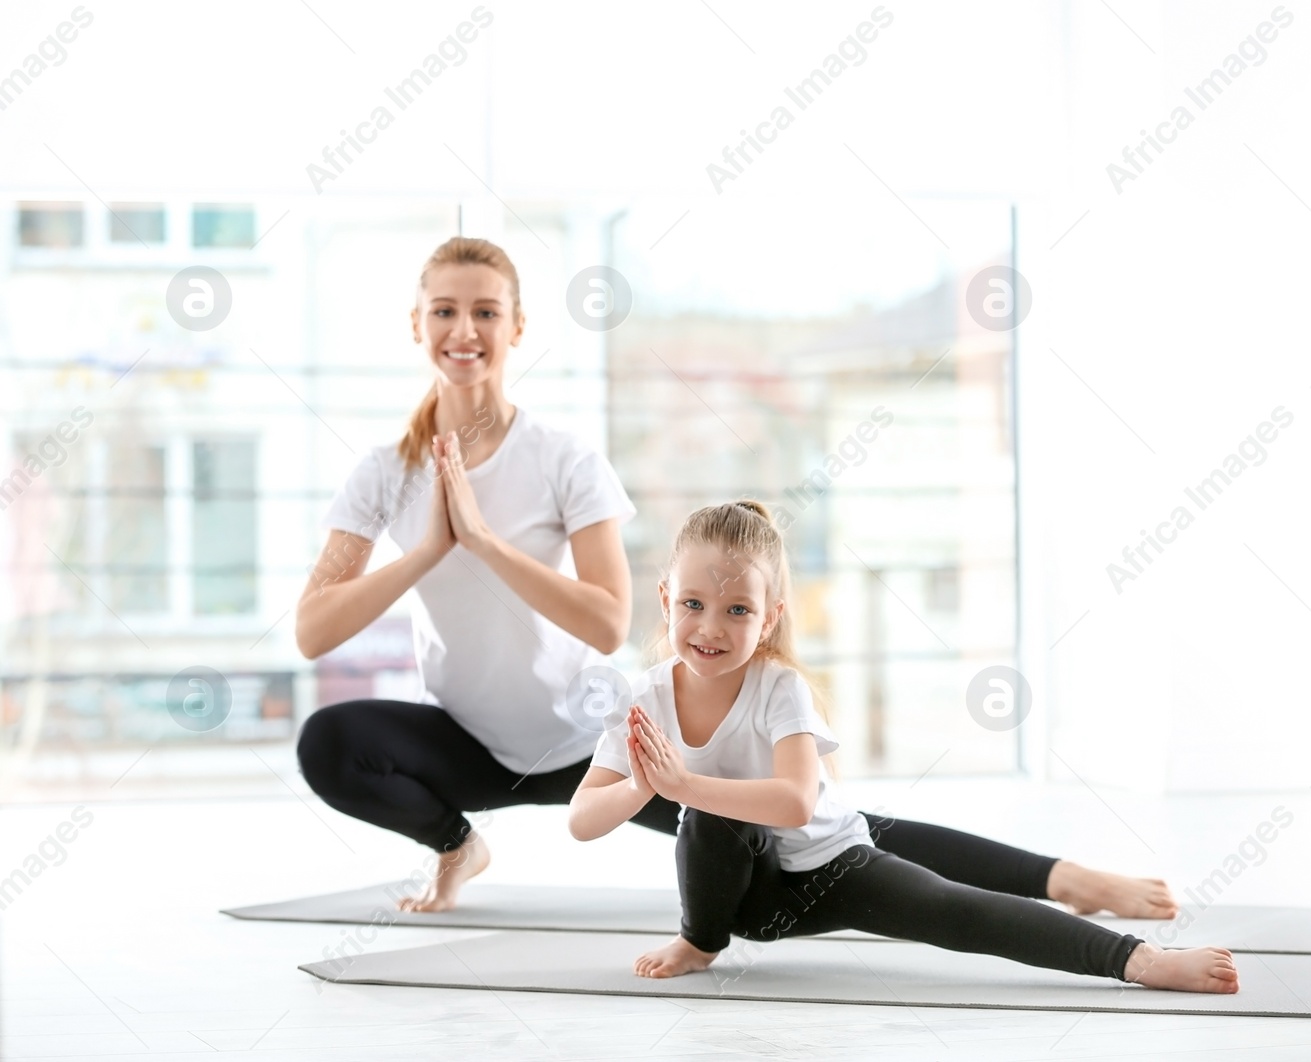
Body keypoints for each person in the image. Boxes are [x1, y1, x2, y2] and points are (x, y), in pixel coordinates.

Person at [296, 235, 1181, 923]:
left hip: (588, 738)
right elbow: (314, 629)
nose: (464, 332)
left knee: (832, 835)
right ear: (417, 326)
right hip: (467, 740)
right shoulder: (385, 472)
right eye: (443, 311)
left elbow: (608, 621)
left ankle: (1066, 881)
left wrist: (486, 544)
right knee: (330, 744)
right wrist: (427, 550)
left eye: (486, 312)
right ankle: (458, 846)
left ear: (516, 328)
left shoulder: (563, 459)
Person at [569, 500, 1240, 992]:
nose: (710, 627)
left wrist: (682, 785)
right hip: (741, 901)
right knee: (711, 818)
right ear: (664, 599)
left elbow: (797, 803)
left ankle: (1136, 957)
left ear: (770, 617)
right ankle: (699, 943)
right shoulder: (645, 697)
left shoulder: (779, 686)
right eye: (692, 604)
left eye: (737, 610)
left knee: (945, 903)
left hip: (825, 871)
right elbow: (582, 819)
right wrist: (642, 786)